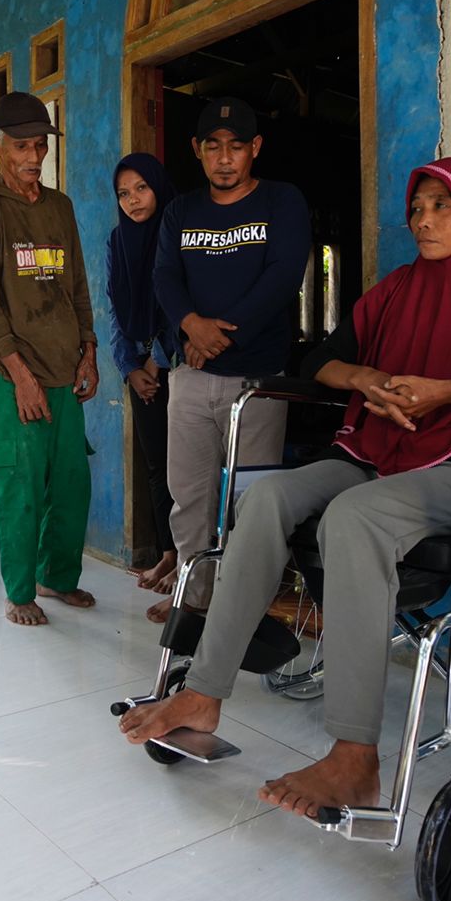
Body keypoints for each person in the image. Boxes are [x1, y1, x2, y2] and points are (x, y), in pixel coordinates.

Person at [120, 157, 451, 818]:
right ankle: (204, 691)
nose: (422, 220)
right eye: (418, 208)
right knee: (263, 500)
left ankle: (355, 758)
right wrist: (367, 380)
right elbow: (320, 361)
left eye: (441, 207)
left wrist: (448, 392)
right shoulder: (397, 291)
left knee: (352, 516)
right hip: (377, 451)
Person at [149, 97, 311, 622]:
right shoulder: (181, 212)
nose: (224, 158)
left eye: (236, 147)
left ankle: (245, 609)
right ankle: (194, 603)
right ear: (197, 151)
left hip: (258, 380)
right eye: (213, 147)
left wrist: (221, 338)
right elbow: (166, 277)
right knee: (190, 497)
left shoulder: (282, 203)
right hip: (192, 378)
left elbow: (282, 278)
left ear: (254, 149)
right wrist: (191, 327)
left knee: (251, 500)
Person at [0, 91, 98, 626]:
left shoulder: (59, 208)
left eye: (40, 145)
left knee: (69, 487)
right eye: (21, 146)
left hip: (65, 373)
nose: (33, 156)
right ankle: (20, 593)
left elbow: (77, 287)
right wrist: (21, 376)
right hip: (11, 377)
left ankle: (57, 577)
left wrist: (88, 351)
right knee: (19, 490)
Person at [106, 153, 180, 596]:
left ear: (157, 186)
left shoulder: (178, 232)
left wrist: (157, 359)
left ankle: (190, 558)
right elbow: (116, 311)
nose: (133, 200)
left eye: (141, 188)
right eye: (123, 193)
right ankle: (168, 554)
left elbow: (182, 299)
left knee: (186, 469)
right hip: (139, 370)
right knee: (156, 466)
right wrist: (130, 367)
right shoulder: (118, 242)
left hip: (180, 364)